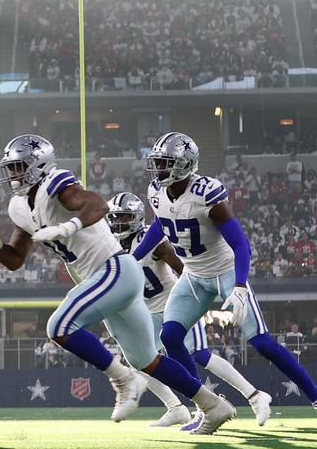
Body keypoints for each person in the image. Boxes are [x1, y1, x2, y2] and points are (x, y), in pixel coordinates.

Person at [0, 134, 231, 430]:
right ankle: (212, 404)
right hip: (107, 281)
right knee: (146, 360)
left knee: (58, 327)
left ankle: (121, 379)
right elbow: (15, 259)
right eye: (10, 168)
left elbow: (98, 205)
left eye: (18, 167)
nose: (12, 175)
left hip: (114, 270)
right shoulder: (18, 207)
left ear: (38, 164)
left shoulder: (55, 184)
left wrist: (67, 225)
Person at [133, 132, 317, 419]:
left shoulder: (206, 193)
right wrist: (134, 257)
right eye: (158, 163)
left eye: (166, 163)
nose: (159, 169)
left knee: (261, 342)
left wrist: (241, 285)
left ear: (184, 164)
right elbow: (161, 223)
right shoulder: (156, 191)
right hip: (193, 276)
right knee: (170, 336)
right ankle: (206, 406)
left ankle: (316, 397)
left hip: (225, 273)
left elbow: (241, 243)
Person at [107, 192, 267, 427]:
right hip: (149, 313)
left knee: (199, 354)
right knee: (140, 361)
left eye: (124, 217)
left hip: (173, 306)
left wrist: (194, 301)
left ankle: (252, 394)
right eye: (115, 218)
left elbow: (186, 270)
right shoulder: (111, 248)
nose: (118, 223)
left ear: (137, 218)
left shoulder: (153, 242)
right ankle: (176, 409)